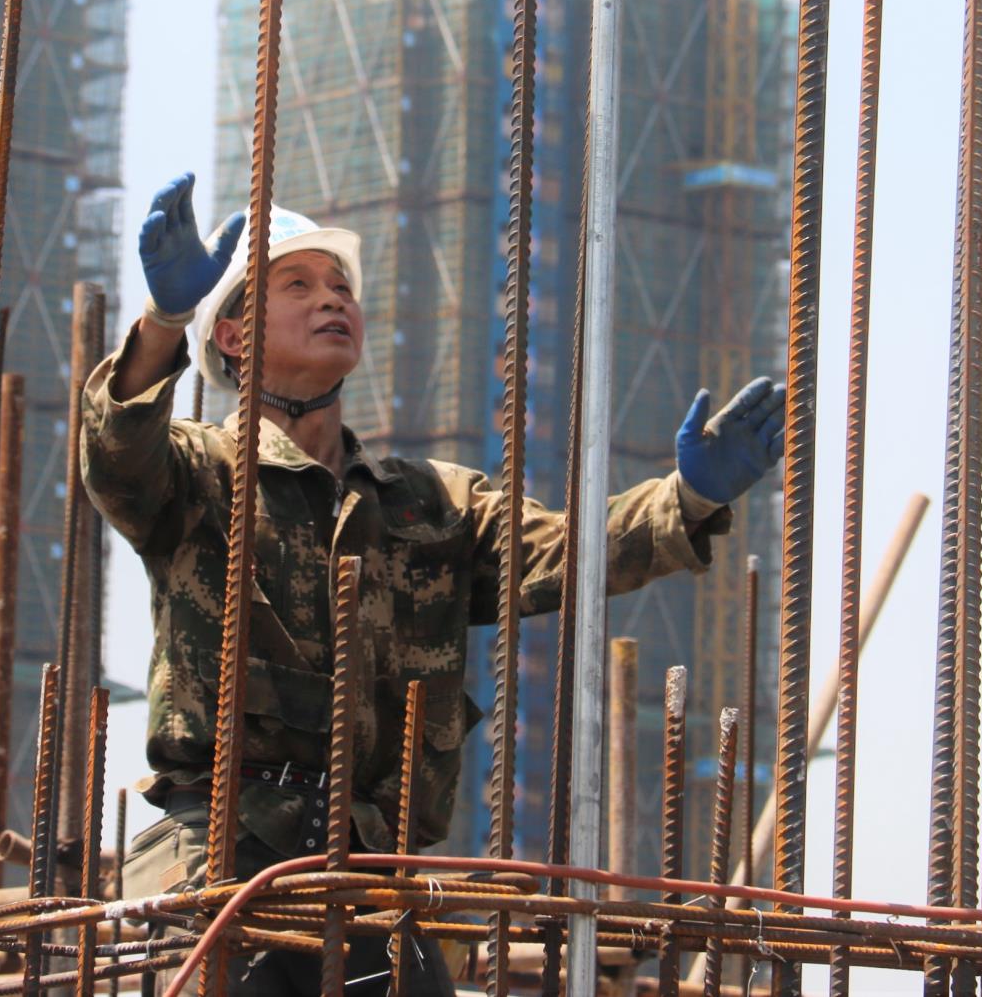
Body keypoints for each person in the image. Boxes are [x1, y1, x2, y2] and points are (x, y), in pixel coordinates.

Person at [84, 173, 785, 997]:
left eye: (342, 286)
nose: (332, 298)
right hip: (219, 857)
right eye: (297, 285)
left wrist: (687, 499)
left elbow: (566, 551)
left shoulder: (429, 504)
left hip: (368, 873)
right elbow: (116, 454)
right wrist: (163, 323)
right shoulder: (200, 473)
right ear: (235, 335)